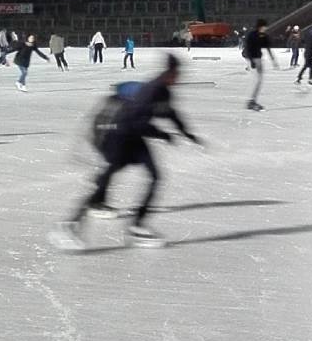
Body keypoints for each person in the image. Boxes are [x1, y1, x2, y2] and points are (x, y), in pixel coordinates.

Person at [52, 54, 201, 250]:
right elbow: (134, 121)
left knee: (155, 176)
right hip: (119, 136)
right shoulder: (149, 91)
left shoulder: (164, 92)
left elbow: (171, 114)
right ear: (169, 73)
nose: (179, 78)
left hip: (134, 136)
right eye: (177, 74)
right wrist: (162, 134)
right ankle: (70, 225)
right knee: (106, 178)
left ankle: (137, 227)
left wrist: (187, 134)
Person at [244, 18, 278, 110]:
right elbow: (248, 48)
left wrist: (273, 60)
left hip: (258, 59)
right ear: (260, 26)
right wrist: (251, 61)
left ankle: (253, 100)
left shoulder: (263, 35)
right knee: (257, 80)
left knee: (259, 81)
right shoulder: (252, 35)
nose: (265, 28)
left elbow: (268, 47)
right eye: (264, 27)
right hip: (252, 59)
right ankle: (251, 101)